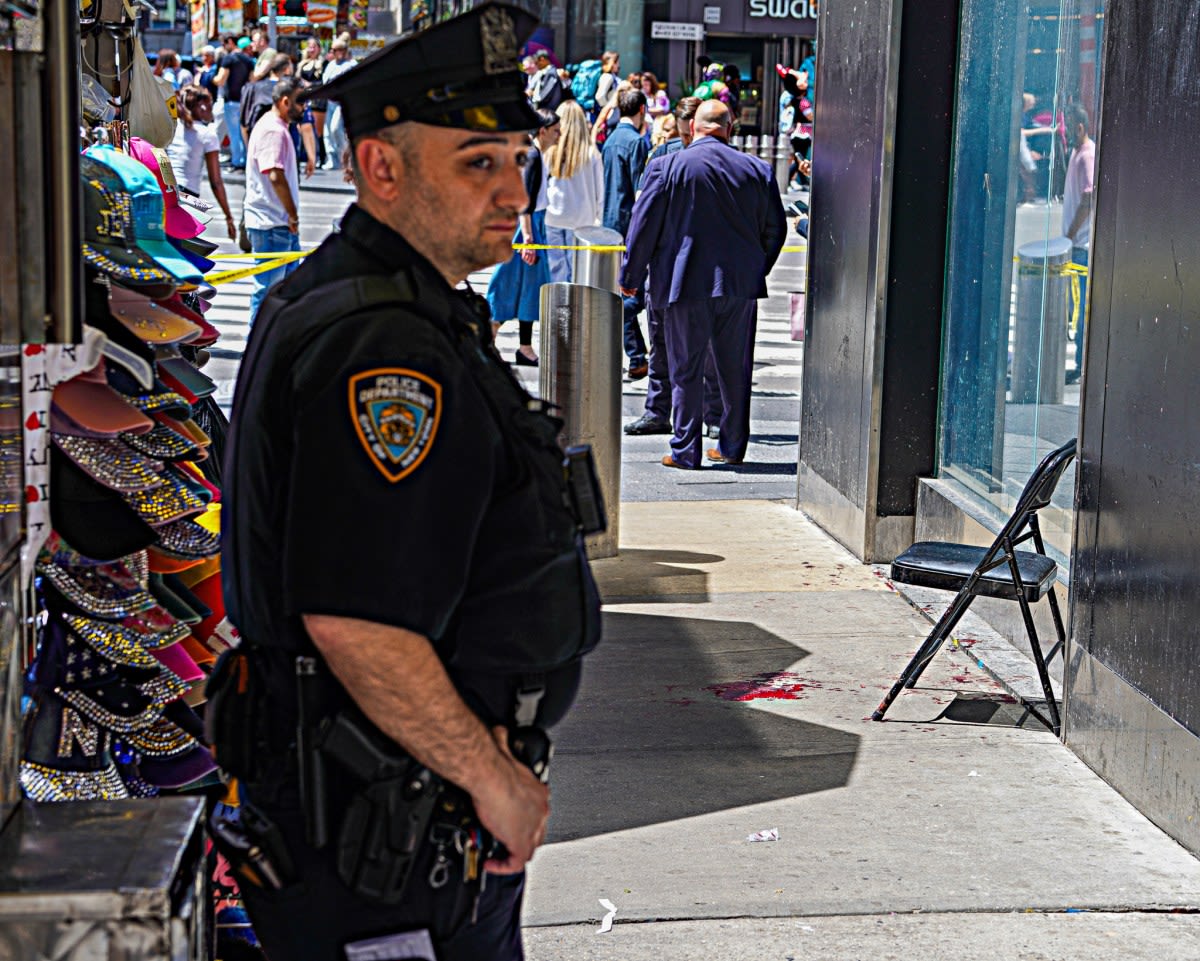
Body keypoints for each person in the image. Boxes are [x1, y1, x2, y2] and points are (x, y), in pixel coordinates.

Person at [212, 5, 601, 959]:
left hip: (394, 798)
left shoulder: (371, 300)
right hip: (383, 815)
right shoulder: (382, 345)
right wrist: (493, 777)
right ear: (381, 168)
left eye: (518, 158)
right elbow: (358, 619)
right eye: (478, 165)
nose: (514, 189)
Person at [620, 99, 787, 468]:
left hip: (684, 285)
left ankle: (686, 451)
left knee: (685, 369)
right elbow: (776, 229)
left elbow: (642, 228)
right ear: (729, 129)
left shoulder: (666, 167)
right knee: (734, 370)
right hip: (739, 287)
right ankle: (730, 447)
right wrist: (755, 270)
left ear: (692, 127)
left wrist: (630, 277)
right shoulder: (757, 169)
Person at [625, 96, 722, 437]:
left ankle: (711, 415)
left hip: (701, 270)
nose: (684, 142)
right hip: (664, 269)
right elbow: (644, 217)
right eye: (679, 135)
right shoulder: (661, 158)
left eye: (688, 134)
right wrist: (633, 272)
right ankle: (658, 410)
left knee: (707, 350)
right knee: (660, 347)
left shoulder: (715, 160)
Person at [486, 107, 560, 365]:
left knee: (526, 288)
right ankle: (496, 335)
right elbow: (524, 201)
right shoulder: (533, 156)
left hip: (530, 226)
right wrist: (528, 239)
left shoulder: (534, 155)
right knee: (511, 285)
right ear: (543, 131)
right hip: (528, 228)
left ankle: (521, 345)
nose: (559, 136)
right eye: (555, 131)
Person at [243, 77, 303, 321]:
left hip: (277, 223)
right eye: (300, 102)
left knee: (283, 292)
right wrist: (292, 214)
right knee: (267, 292)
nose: (304, 108)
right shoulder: (272, 130)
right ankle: (255, 347)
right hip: (271, 223)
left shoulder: (277, 127)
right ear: (285, 101)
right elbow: (275, 175)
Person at [602, 87, 650, 378]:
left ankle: (636, 356)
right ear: (642, 110)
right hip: (628, 223)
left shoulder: (610, 140)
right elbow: (639, 190)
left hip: (609, 219)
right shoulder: (636, 142)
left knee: (625, 289)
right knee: (635, 294)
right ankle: (635, 354)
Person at [543, 99, 603, 283]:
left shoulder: (549, 151)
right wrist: (598, 220)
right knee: (577, 273)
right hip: (581, 220)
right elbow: (600, 192)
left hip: (552, 216)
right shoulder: (591, 153)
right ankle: (572, 309)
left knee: (555, 271)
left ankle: (556, 309)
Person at [167, 84, 236, 240]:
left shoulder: (172, 128)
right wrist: (228, 216)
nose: (212, 108)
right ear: (201, 106)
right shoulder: (207, 135)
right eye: (210, 103)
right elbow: (216, 182)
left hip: (168, 192)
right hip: (188, 197)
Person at [1062, 103, 1094, 385]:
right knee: (1076, 306)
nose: (1065, 133)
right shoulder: (1076, 153)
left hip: (1081, 245)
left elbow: (1088, 198)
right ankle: (1079, 363)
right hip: (1076, 244)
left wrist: (1070, 235)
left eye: (1069, 127)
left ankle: (1081, 364)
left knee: (1081, 307)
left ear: (1080, 127)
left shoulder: (1086, 156)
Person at [213, 35, 255, 168]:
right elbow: (252, 80)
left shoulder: (229, 58)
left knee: (234, 133)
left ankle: (237, 161)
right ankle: (245, 159)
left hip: (231, 101)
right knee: (244, 132)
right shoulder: (249, 61)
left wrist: (209, 78)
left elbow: (221, 80)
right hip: (244, 101)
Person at [321, 38, 356, 169]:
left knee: (336, 128)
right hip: (330, 101)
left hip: (342, 101)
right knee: (328, 131)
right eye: (336, 50)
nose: (339, 53)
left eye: (342, 50)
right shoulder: (330, 65)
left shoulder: (350, 64)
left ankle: (345, 155)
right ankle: (332, 159)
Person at [298, 38, 328, 169]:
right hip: (305, 100)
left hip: (318, 100)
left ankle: (322, 157)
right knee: (303, 128)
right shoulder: (303, 64)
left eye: (314, 46)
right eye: (309, 46)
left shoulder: (323, 64)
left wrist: (311, 86)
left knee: (319, 131)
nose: (311, 49)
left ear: (319, 48)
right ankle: (306, 156)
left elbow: (324, 82)